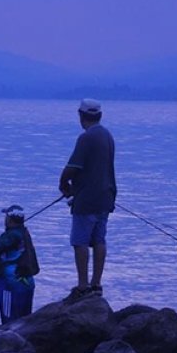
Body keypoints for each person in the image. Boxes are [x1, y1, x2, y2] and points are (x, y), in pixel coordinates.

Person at [59, 98, 116, 301]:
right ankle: (96, 284)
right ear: (99, 115)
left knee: (80, 241)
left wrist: (63, 184)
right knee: (99, 240)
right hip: (106, 197)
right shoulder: (107, 136)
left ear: (81, 116)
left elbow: (73, 167)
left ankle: (83, 286)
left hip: (87, 200)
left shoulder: (86, 138)